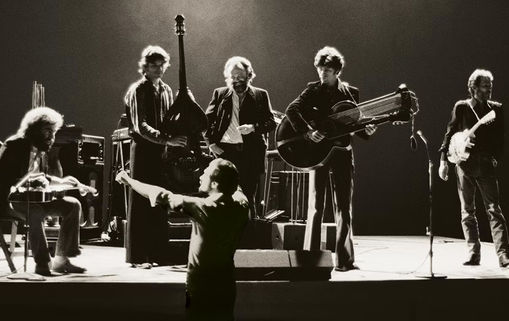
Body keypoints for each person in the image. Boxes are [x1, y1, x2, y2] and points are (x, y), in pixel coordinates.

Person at [116, 158, 248, 321]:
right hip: (226, 283)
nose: (201, 175)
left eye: (206, 173)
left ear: (214, 184)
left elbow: (161, 195)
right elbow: (236, 186)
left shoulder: (204, 208)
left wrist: (129, 180)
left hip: (202, 285)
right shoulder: (242, 205)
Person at [284, 46, 376, 272]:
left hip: (343, 153)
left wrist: (368, 131)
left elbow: (355, 124)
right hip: (317, 154)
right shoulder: (312, 90)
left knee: (344, 206)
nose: (322, 73)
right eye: (320, 69)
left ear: (337, 71)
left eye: (327, 70)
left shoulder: (351, 93)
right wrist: (307, 132)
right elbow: (291, 110)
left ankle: (344, 260)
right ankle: (311, 258)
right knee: (316, 205)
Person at [0, 106, 86, 276]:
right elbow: (1, 181)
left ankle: (61, 260)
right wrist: (30, 182)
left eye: (53, 131)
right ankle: (42, 263)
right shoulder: (13, 146)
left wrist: (63, 181)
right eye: (47, 130)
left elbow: (41, 177)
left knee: (72, 205)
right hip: (9, 201)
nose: (51, 136)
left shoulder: (38, 150)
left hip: (34, 201)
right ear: (34, 129)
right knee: (35, 211)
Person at [438, 69, 509, 267]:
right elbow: (449, 133)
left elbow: (500, 139)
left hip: (485, 164)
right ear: (473, 88)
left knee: (494, 210)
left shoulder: (496, 109)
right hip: (463, 165)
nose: (489, 90)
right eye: (485, 86)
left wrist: (495, 157)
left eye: (490, 86)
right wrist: (443, 161)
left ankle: (503, 255)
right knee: (467, 211)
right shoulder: (461, 107)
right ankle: (473, 253)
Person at [124, 45, 187, 268]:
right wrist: (165, 139)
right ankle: (139, 257)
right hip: (143, 150)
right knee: (141, 202)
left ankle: (159, 253)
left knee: (160, 201)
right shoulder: (138, 90)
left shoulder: (167, 89)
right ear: (145, 67)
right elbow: (140, 125)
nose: (159, 69)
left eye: (162, 65)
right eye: (154, 65)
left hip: (161, 152)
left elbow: (170, 119)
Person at [204, 56, 276, 219]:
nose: (236, 80)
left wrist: (253, 128)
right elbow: (206, 121)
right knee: (223, 196)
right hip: (225, 152)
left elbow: (271, 122)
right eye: (233, 77)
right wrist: (211, 143)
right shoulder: (220, 94)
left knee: (248, 197)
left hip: (251, 154)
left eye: (240, 76)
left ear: (249, 75)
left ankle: (249, 239)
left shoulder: (260, 95)